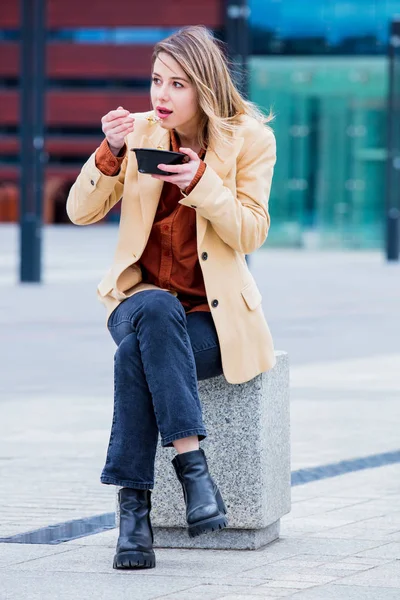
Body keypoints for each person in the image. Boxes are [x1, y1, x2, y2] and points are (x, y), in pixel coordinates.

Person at [66, 25, 276, 571]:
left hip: (213, 319)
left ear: (203, 88)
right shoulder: (137, 133)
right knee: (154, 310)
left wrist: (202, 184)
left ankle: (133, 517)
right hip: (137, 301)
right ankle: (193, 467)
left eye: (177, 85)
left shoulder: (250, 140)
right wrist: (110, 153)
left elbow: (252, 232)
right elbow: (79, 212)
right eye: (157, 81)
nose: (161, 96)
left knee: (135, 356)